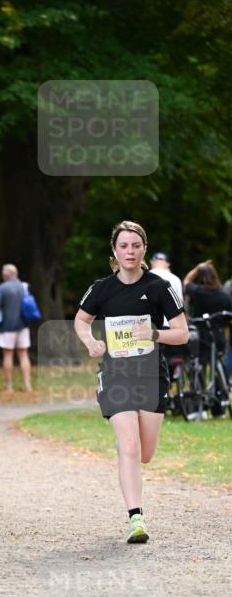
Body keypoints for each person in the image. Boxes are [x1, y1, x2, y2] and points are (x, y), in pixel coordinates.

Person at [74, 220, 188, 544]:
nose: (130, 251)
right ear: (114, 250)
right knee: (130, 446)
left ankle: (128, 449)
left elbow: (182, 333)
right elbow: (81, 321)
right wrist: (90, 342)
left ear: (144, 250)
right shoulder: (102, 289)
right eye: (123, 246)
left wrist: (152, 333)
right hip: (115, 374)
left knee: (145, 453)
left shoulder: (159, 288)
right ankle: (136, 518)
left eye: (135, 246)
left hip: (151, 375)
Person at [0, 264, 32, 394]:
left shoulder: (2, 288)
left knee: (8, 355)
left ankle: (9, 387)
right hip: (23, 326)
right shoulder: (24, 287)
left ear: (5, 275)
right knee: (23, 354)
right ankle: (27, 386)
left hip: (7, 326)